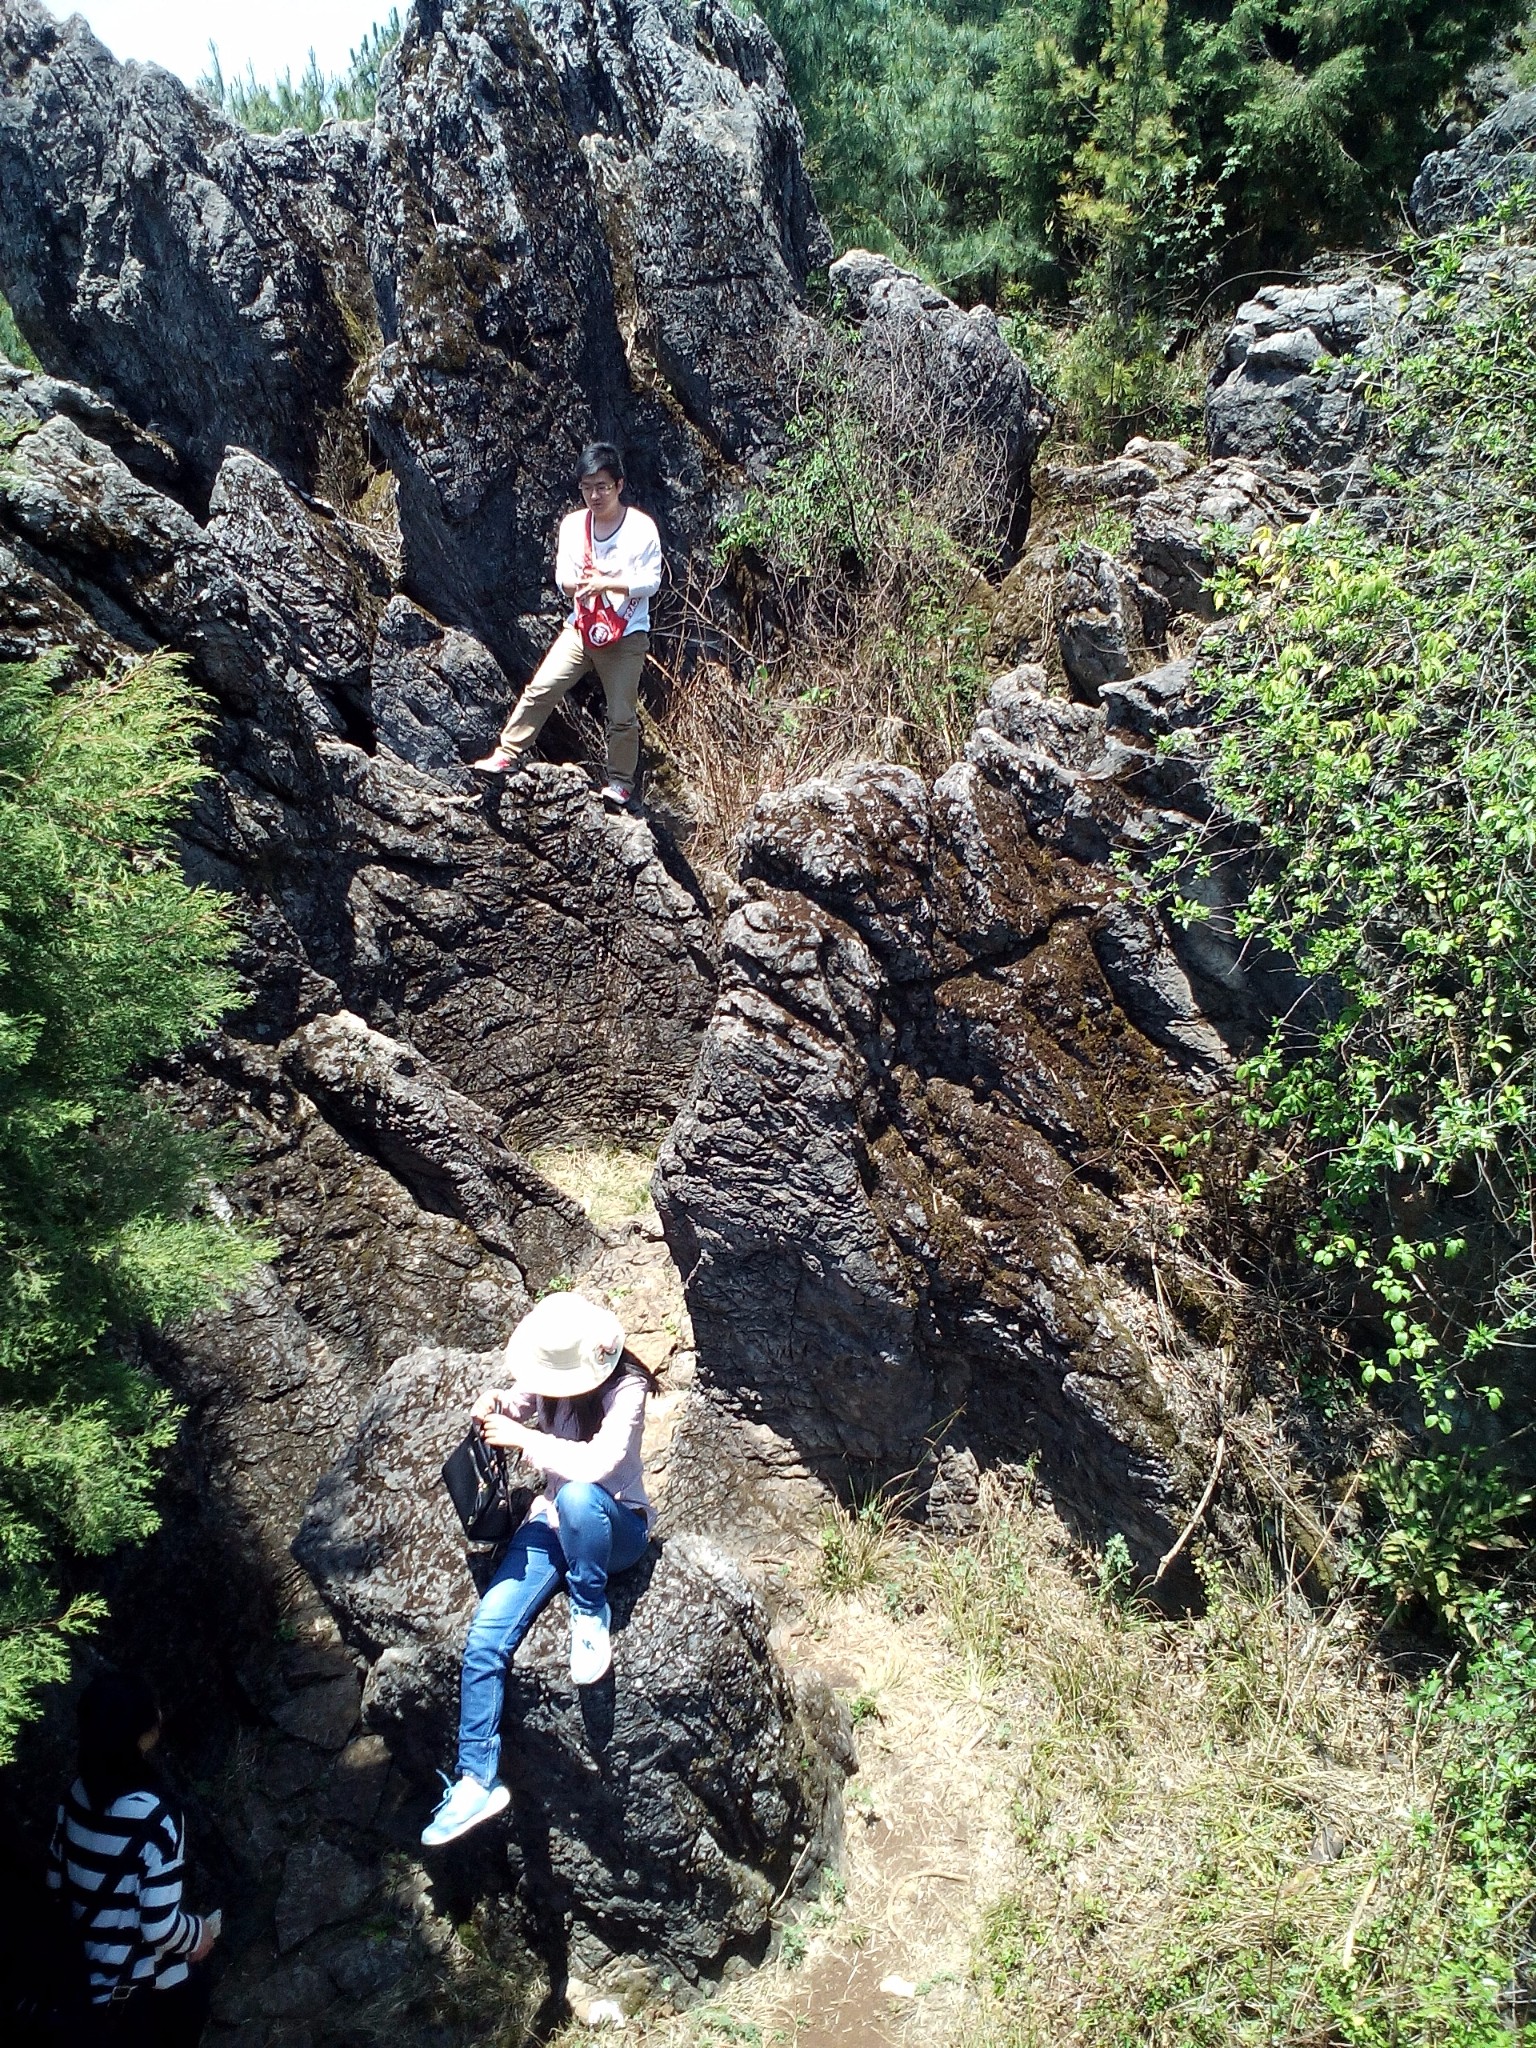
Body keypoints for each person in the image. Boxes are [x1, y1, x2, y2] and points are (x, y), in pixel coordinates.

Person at [421, 1291, 657, 1849]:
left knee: (577, 1497)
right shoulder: (551, 1381)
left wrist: (526, 1440)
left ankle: (589, 1611)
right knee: (484, 1637)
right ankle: (475, 1778)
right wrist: (497, 1406)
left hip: (612, 1523)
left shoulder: (628, 1389)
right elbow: (522, 1402)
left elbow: (597, 1465)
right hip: (551, 1524)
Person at [472, 443, 663, 812]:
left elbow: (651, 582)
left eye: (602, 486)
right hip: (581, 627)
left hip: (626, 634)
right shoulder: (574, 525)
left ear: (619, 485)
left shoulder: (641, 528)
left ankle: (621, 782)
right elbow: (563, 578)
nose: (594, 495)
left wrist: (607, 583)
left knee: (621, 713)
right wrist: (583, 586)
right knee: (542, 687)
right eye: (587, 487)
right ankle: (507, 753)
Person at [47, 1670, 218, 2045]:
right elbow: (159, 1926)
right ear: (142, 1733)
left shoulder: (73, 1796)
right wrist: (199, 1933)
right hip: (137, 1997)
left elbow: (56, 1887)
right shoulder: (155, 1818)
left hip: (81, 1988)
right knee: (195, 1989)